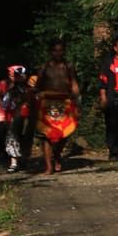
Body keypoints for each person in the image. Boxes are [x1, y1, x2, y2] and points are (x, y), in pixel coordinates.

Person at [35, 40, 80, 174]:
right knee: (46, 135)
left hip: (64, 102)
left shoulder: (68, 66)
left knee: (65, 132)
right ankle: (49, 166)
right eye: (55, 50)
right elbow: (38, 85)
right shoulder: (44, 67)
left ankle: (57, 154)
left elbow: (73, 83)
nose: (58, 53)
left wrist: (77, 100)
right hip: (47, 103)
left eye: (60, 50)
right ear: (51, 52)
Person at [0, 64, 35, 172]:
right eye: (18, 74)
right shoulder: (7, 86)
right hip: (11, 116)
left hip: (26, 117)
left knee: (24, 137)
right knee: (11, 136)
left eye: (23, 74)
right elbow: (2, 101)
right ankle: (13, 162)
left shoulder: (28, 87)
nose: (21, 76)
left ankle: (24, 159)